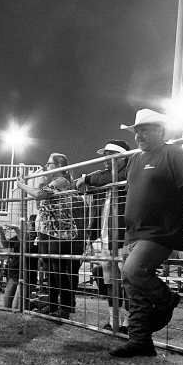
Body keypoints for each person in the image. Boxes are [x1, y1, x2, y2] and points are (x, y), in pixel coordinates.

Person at [114, 109, 183, 357]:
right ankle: (140, 341)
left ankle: (168, 299)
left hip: (161, 232)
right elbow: (112, 178)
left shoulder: (175, 154)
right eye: (137, 131)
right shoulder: (135, 159)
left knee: (133, 271)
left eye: (145, 129)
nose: (139, 135)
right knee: (132, 284)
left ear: (161, 131)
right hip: (134, 233)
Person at [75, 140, 131, 331]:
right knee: (109, 281)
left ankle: (128, 322)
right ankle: (113, 320)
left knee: (127, 281)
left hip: (125, 236)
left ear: (122, 156)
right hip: (106, 237)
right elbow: (99, 180)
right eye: (105, 156)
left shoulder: (129, 171)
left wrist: (86, 178)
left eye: (110, 155)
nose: (106, 160)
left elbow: (110, 177)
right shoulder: (106, 177)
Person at [15, 153, 78, 319]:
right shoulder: (52, 182)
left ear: (58, 166)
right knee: (50, 269)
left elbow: (39, 194)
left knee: (58, 270)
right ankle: (51, 305)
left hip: (59, 233)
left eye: (49, 163)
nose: (46, 166)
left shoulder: (62, 181)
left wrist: (22, 186)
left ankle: (64, 307)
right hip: (46, 231)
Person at [3, 216, 40, 309]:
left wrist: (17, 229)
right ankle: (32, 301)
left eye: (31, 225)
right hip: (14, 273)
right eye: (28, 224)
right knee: (6, 306)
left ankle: (37, 303)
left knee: (16, 307)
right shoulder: (20, 235)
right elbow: (6, 244)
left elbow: (25, 246)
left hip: (28, 276)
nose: (28, 226)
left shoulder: (39, 239)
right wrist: (1, 232)